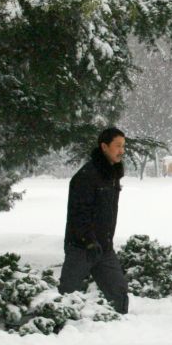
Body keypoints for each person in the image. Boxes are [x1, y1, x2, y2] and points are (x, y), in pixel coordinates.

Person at [59, 127, 129, 314]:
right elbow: (78, 214)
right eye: (118, 146)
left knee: (119, 293)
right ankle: (56, 331)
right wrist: (88, 241)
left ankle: (118, 330)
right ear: (104, 147)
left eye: (123, 146)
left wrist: (102, 242)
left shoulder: (111, 175)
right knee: (66, 296)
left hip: (104, 247)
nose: (122, 150)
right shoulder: (86, 177)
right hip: (81, 248)